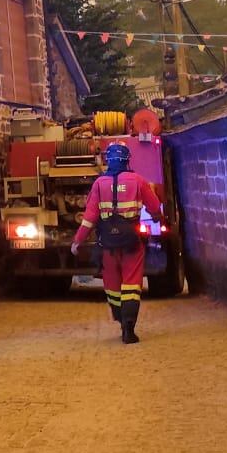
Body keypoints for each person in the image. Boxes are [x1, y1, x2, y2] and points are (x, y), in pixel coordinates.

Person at [71, 142, 164, 344]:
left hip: (107, 243)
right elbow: (155, 206)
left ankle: (121, 320)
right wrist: (157, 217)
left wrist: (78, 241)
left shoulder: (98, 184)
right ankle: (129, 328)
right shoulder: (138, 180)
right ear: (127, 160)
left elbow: (89, 218)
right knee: (132, 283)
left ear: (108, 160)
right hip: (132, 241)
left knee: (112, 285)